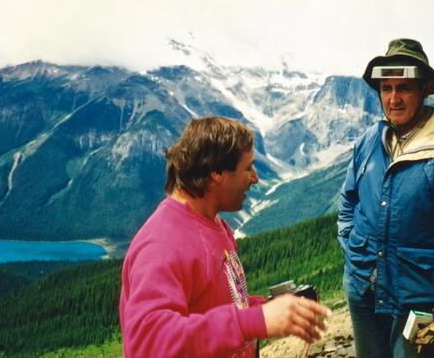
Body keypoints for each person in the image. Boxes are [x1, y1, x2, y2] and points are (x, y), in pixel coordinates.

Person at [120, 116, 330, 358]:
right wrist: (253, 322)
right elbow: (147, 344)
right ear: (216, 171)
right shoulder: (162, 243)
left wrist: (268, 309)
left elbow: (225, 305)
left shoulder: (217, 226)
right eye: (248, 168)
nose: (255, 178)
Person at [337, 39, 434, 357]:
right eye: (386, 88)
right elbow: (349, 201)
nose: (393, 98)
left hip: (421, 297)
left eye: (404, 88)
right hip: (364, 289)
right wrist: (353, 251)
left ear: (425, 89)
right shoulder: (370, 140)